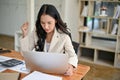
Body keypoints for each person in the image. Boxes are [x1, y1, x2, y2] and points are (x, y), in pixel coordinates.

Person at [20, 4, 78, 76]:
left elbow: (73, 56)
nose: (46, 27)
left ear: (56, 20)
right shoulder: (36, 31)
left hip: (56, 73)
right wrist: (24, 34)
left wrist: (71, 67)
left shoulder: (64, 36)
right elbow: (25, 53)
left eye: (49, 23)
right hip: (40, 71)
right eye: (43, 23)